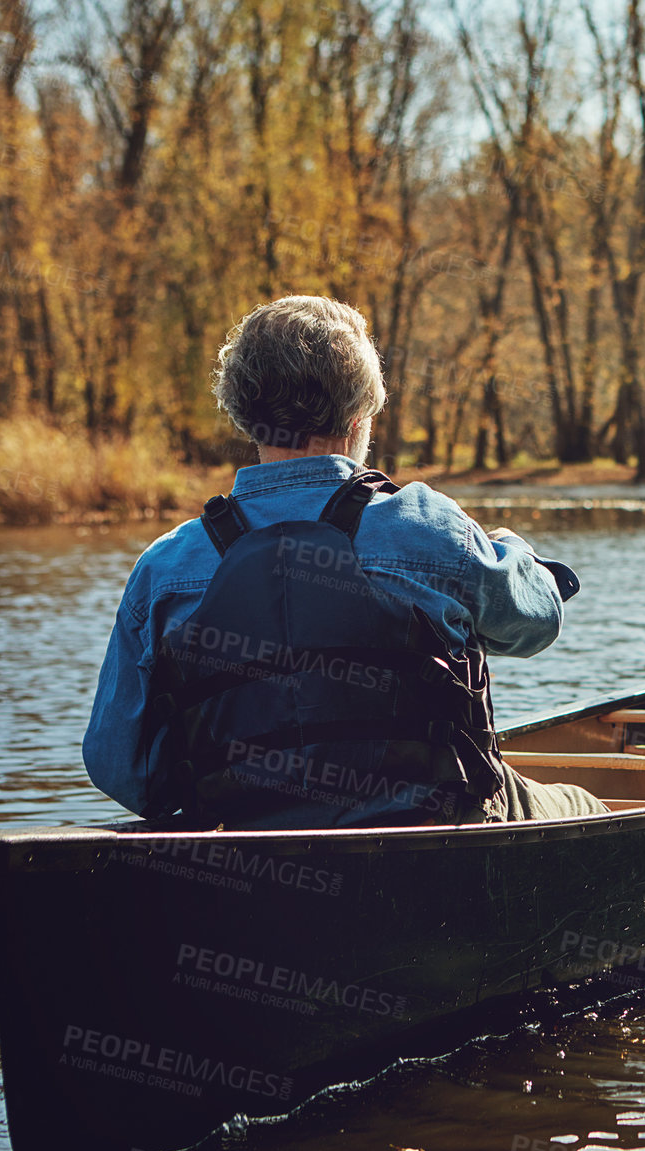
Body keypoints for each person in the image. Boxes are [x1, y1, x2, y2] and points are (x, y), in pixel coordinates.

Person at [83, 295, 607, 828]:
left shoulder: (165, 569)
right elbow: (535, 624)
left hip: (248, 850)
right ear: (360, 416)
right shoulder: (427, 527)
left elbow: (121, 770)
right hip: (437, 842)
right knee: (586, 806)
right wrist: (514, 552)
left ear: (245, 417)